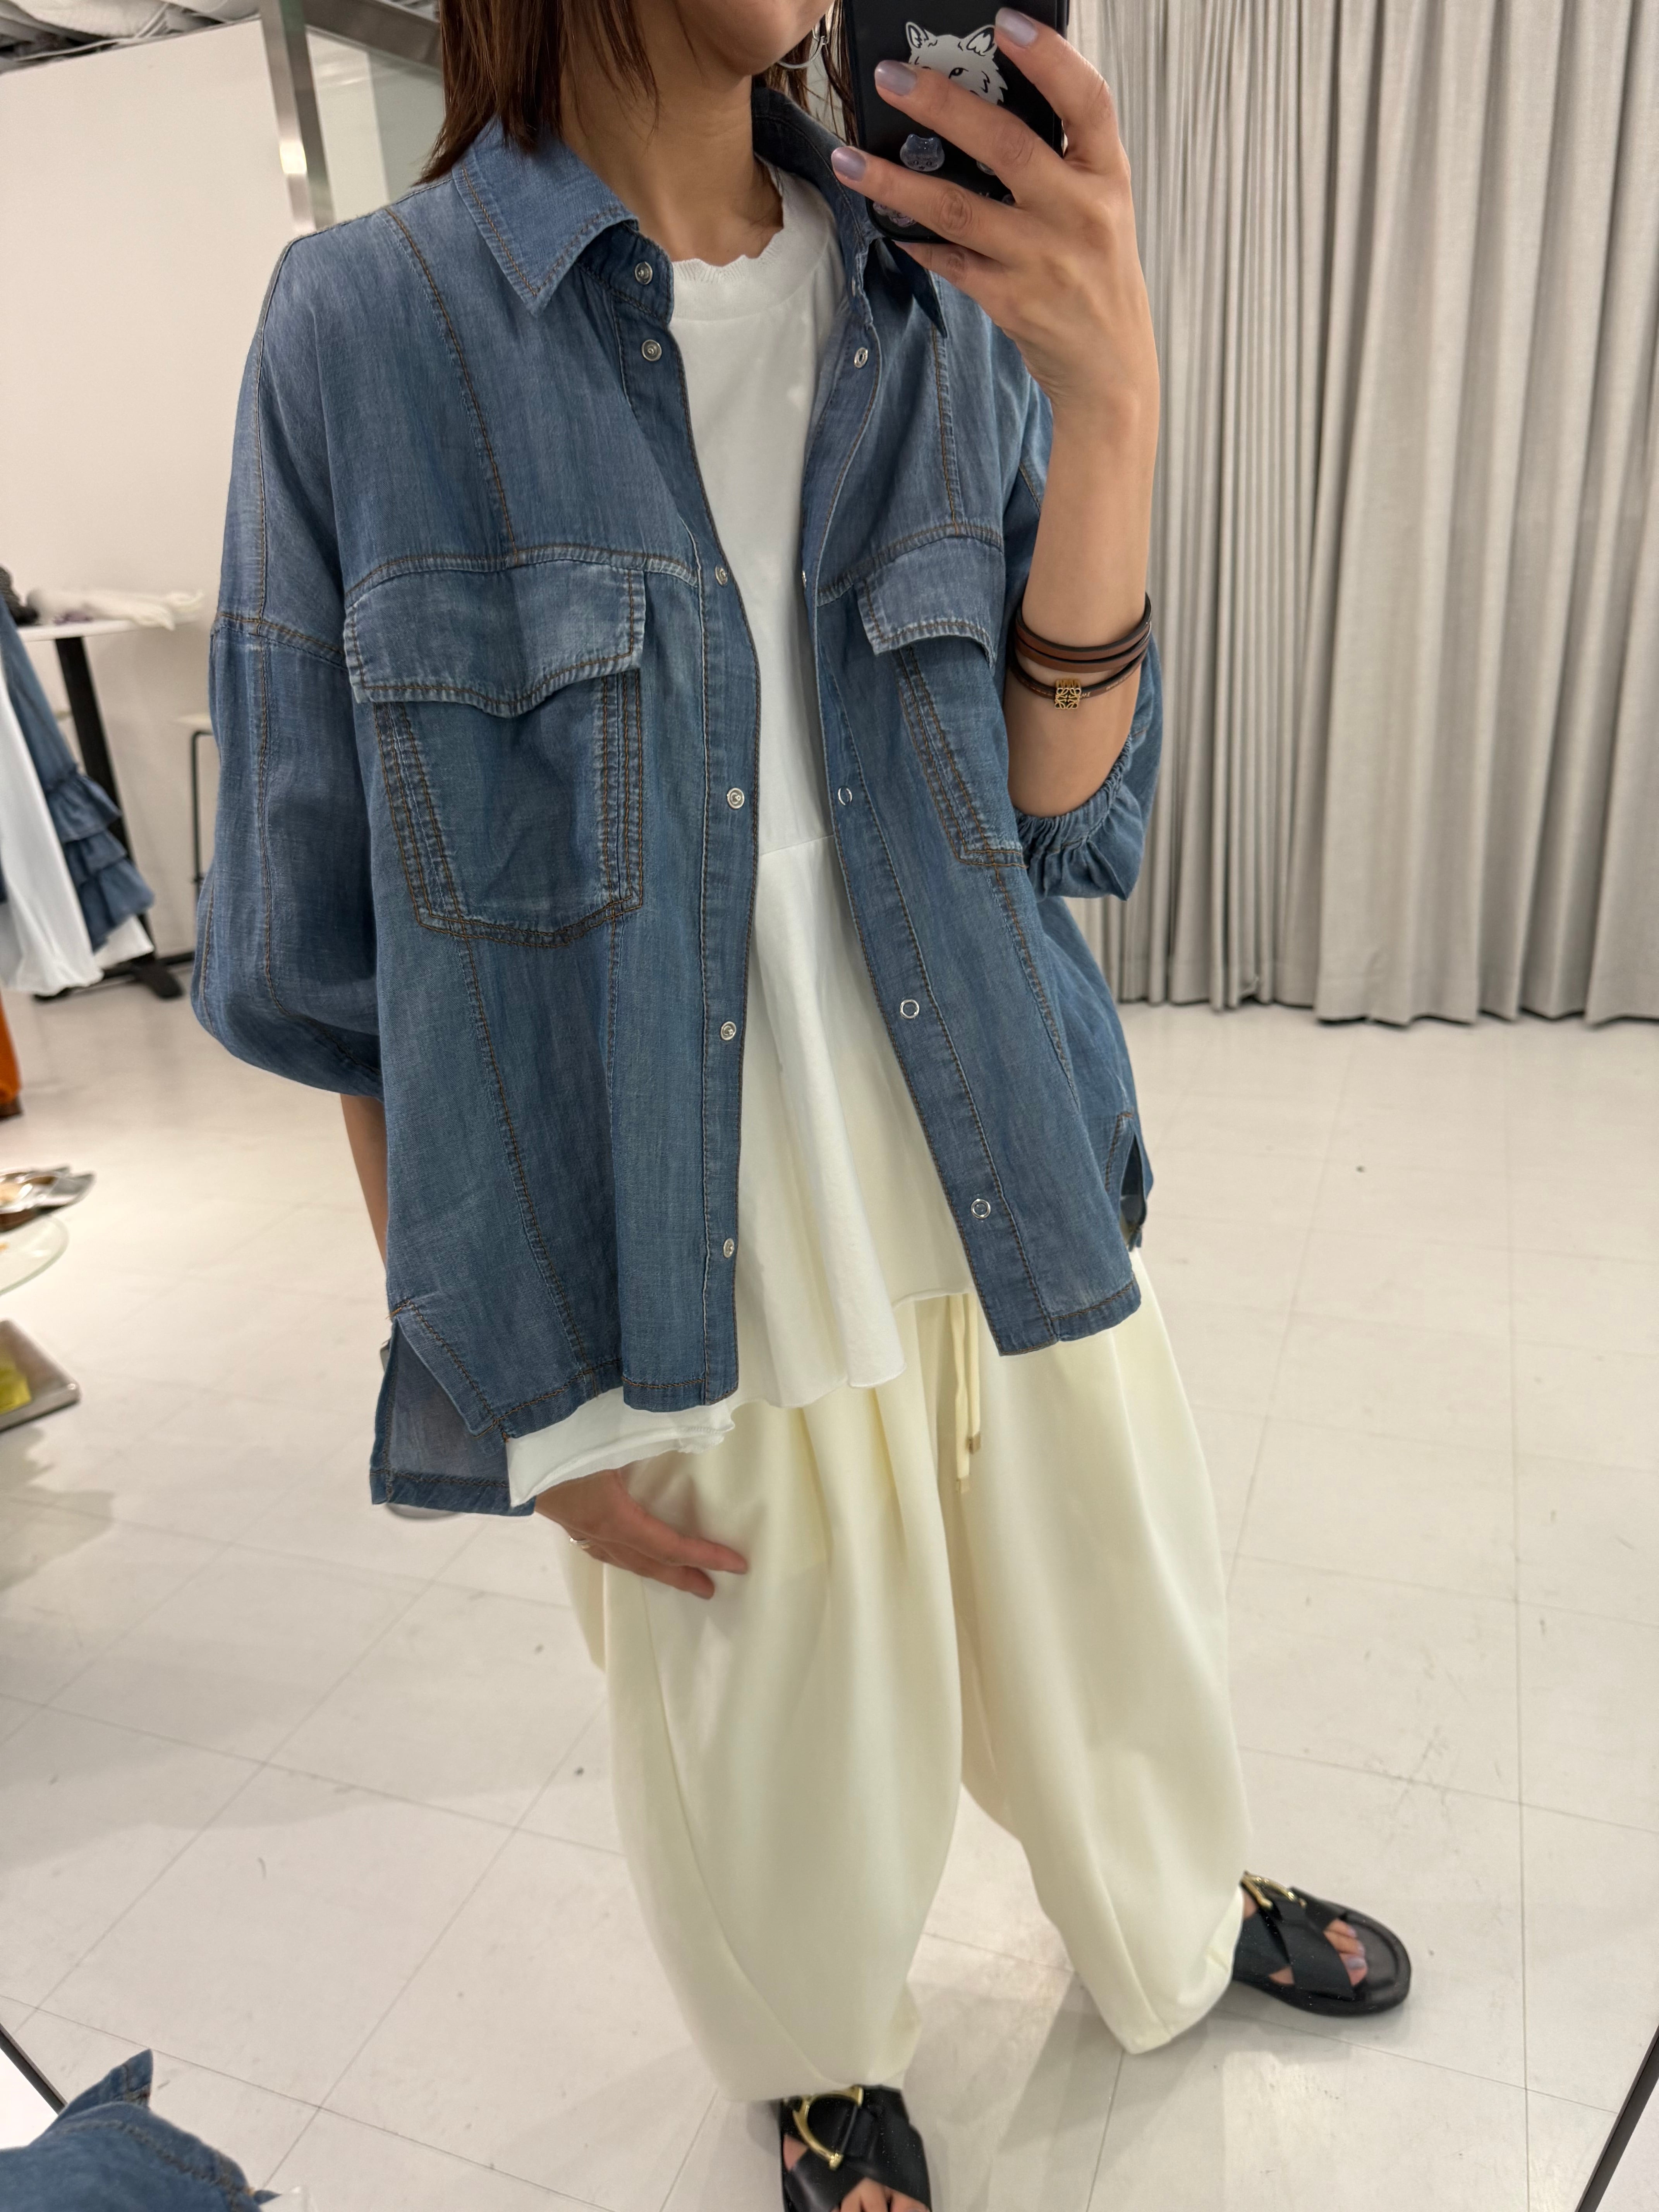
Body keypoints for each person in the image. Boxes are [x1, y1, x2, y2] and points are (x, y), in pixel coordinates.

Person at [196, 6, 1411, 2205]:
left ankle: (1174, 1900)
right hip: (677, 1229)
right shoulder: (367, 332)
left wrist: (1113, 400)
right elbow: (329, 959)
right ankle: (822, 2063)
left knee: (1118, 1608)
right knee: (773, 1719)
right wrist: (522, 1399)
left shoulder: (926, 286)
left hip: (1001, 1140)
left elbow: (1061, 805)